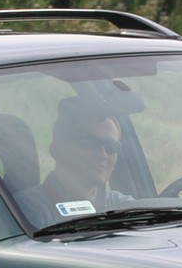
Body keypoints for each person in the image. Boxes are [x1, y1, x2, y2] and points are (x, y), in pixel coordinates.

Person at [13, 97, 132, 227]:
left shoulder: (125, 207)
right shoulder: (24, 212)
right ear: (58, 148)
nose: (102, 154)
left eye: (111, 146)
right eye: (89, 143)